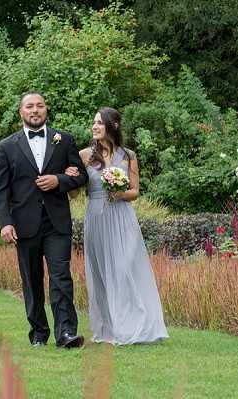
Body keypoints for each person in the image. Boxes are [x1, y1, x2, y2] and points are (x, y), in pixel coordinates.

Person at [0, 91, 89, 348]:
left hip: (57, 223)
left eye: (40, 106)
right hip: (24, 225)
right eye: (29, 106)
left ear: (46, 110)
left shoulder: (63, 140)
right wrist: (5, 222)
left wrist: (60, 180)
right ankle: (38, 332)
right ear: (21, 112)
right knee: (32, 280)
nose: (35, 110)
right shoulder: (6, 146)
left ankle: (66, 332)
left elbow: (81, 177)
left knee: (61, 276)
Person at [66, 107, 168, 345]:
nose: (94, 127)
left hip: (122, 217)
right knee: (101, 273)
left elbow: (135, 191)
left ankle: (135, 325)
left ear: (113, 126)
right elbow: (74, 194)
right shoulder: (84, 156)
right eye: (93, 122)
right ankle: (109, 328)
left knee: (123, 270)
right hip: (96, 218)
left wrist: (120, 193)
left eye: (99, 123)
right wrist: (69, 176)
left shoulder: (129, 155)